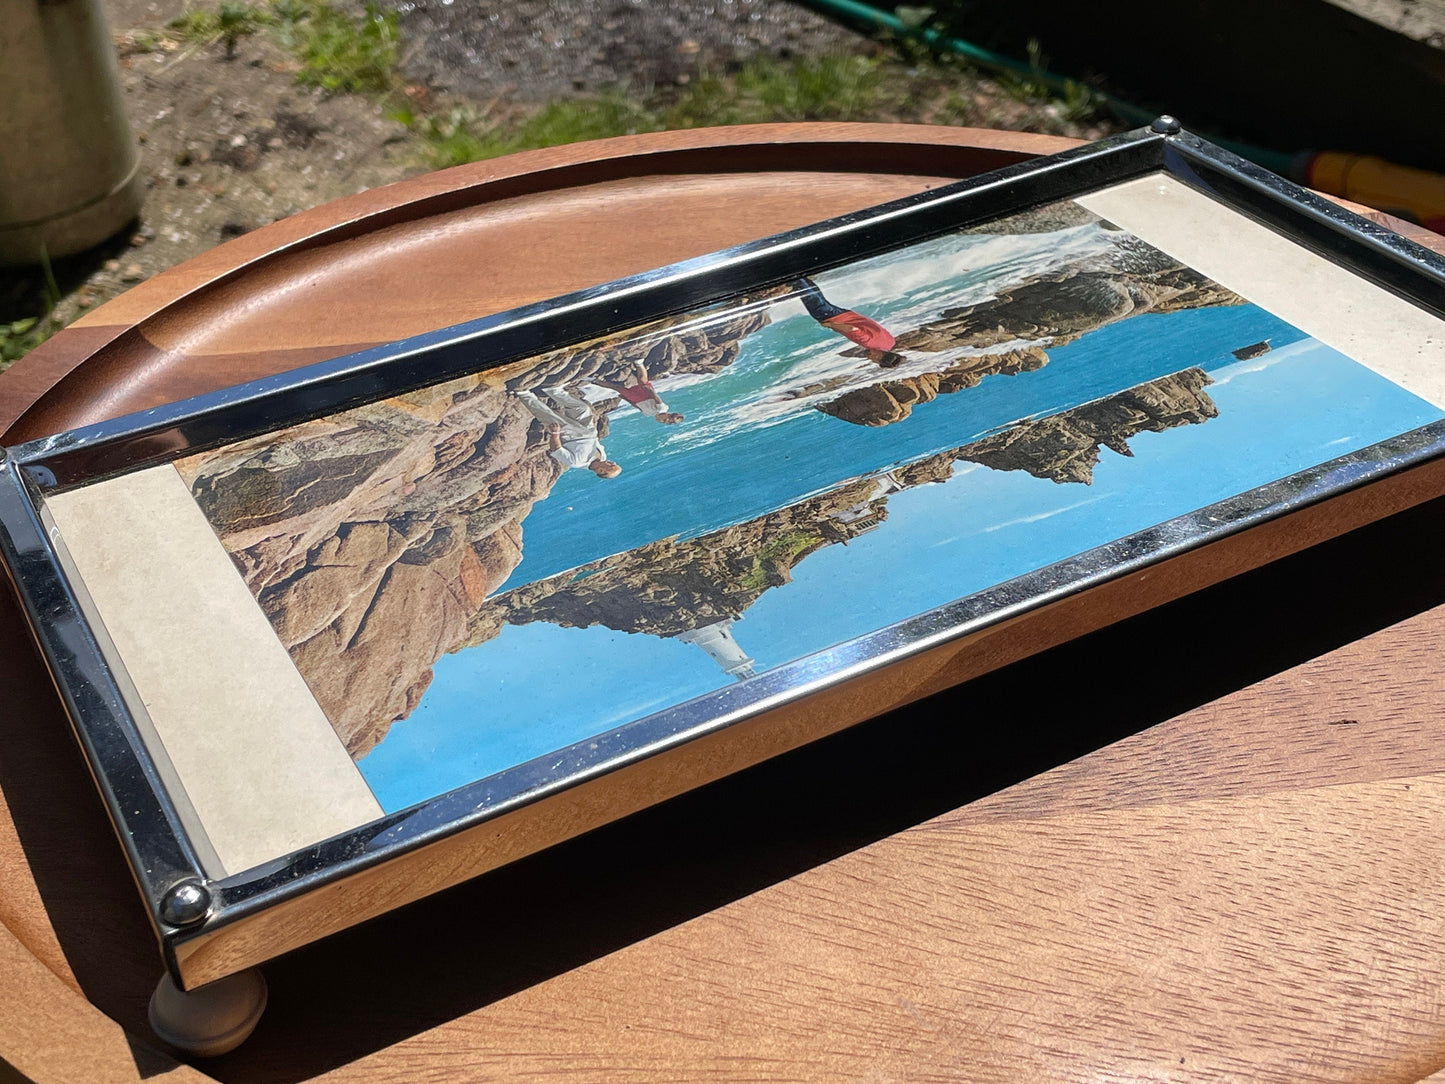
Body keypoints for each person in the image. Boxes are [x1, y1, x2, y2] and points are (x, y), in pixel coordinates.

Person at [794, 276, 907, 368]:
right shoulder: (868, 342)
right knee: (811, 298)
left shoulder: (890, 342)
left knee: (819, 299)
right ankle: (796, 278)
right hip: (834, 318)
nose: (871, 359)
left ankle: (805, 279)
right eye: (875, 361)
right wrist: (829, 324)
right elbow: (852, 329)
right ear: (880, 356)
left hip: (847, 314)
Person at [517, 387, 622, 478]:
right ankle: (553, 390)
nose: (612, 462)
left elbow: (556, 450)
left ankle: (524, 394)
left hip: (570, 434)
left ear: (601, 471)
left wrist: (555, 434)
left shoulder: (576, 462)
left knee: (547, 414)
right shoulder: (603, 457)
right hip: (587, 429)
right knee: (582, 408)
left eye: (611, 465)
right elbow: (594, 442)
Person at [590, 361, 684, 424]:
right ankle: (639, 363)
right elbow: (656, 398)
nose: (663, 420)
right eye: (666, 419)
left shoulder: (649, 414)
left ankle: (595, 381)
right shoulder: (662, 409)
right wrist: (649, 390)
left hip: (636, 399)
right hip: (646, 395)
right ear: (668, 415)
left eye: (665, 421)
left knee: (618, 388)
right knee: (642, 381)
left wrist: (626, 399)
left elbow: (637, 406)